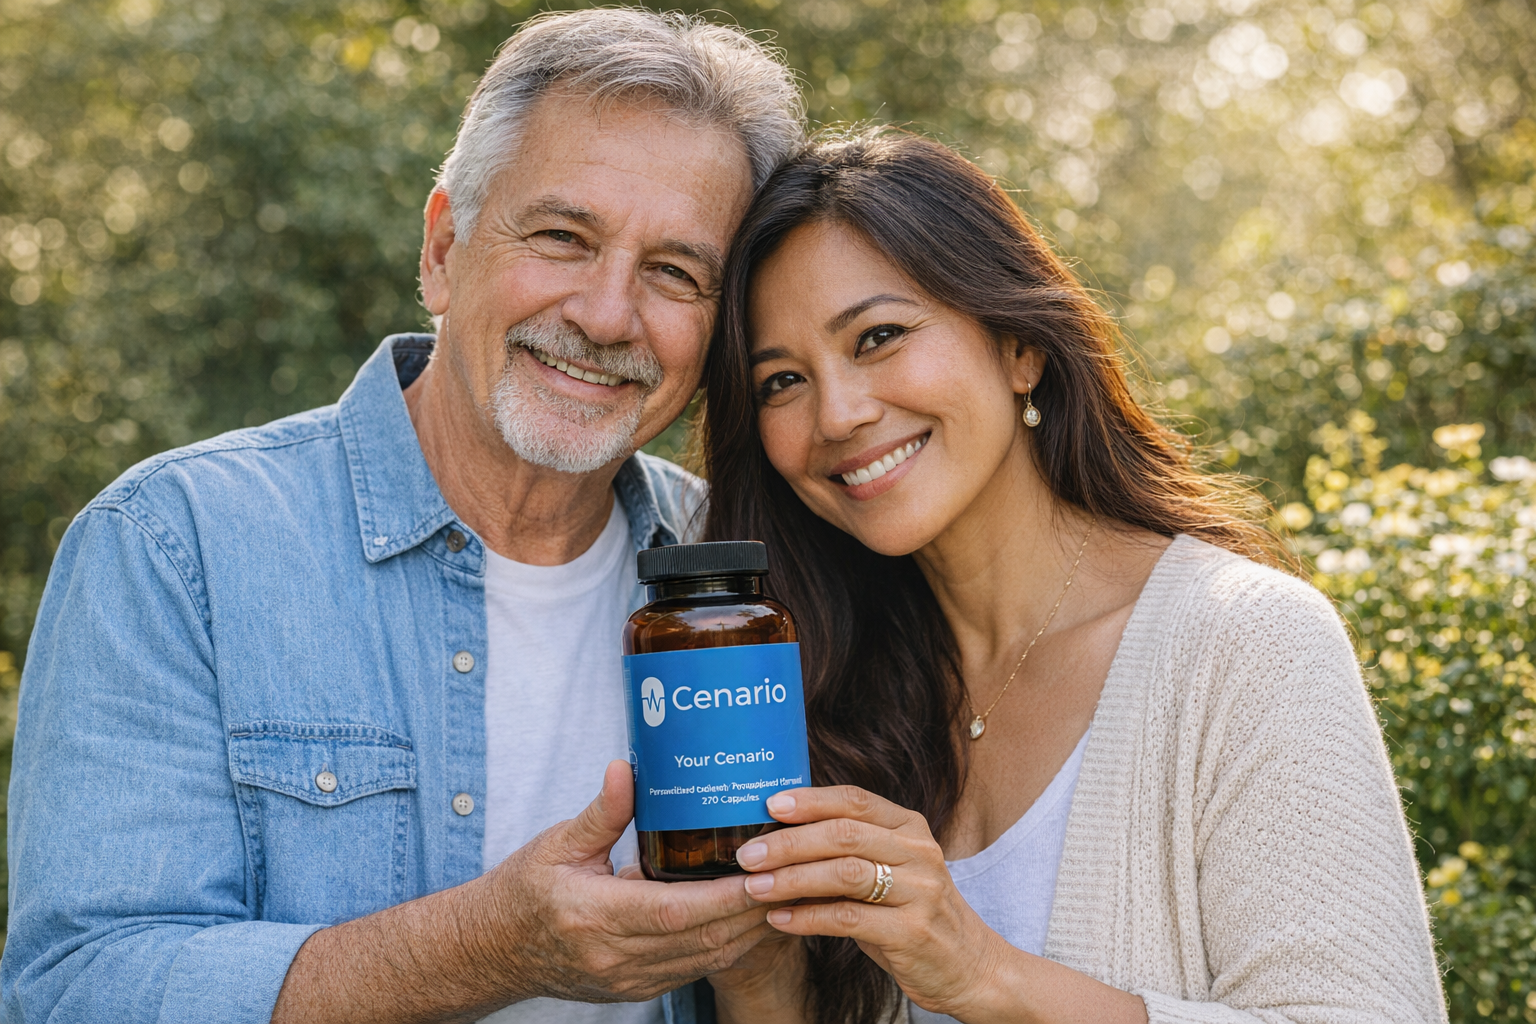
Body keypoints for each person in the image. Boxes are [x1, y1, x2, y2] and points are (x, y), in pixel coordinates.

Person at [1, 10, 803, 1023]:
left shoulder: (755, 585)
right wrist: (489, 947)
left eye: (675, 273)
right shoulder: (174, 544)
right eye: (563, 237)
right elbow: (76, 990)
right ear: (441, 251)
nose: (606, 314)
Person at [696, 128, 1447, 1024]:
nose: (839, 413)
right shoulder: (824, 688)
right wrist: (756, 978)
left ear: (1020, 346)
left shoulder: (1246, 641)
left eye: (879, 336)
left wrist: (988, 977)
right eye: (781, 381)